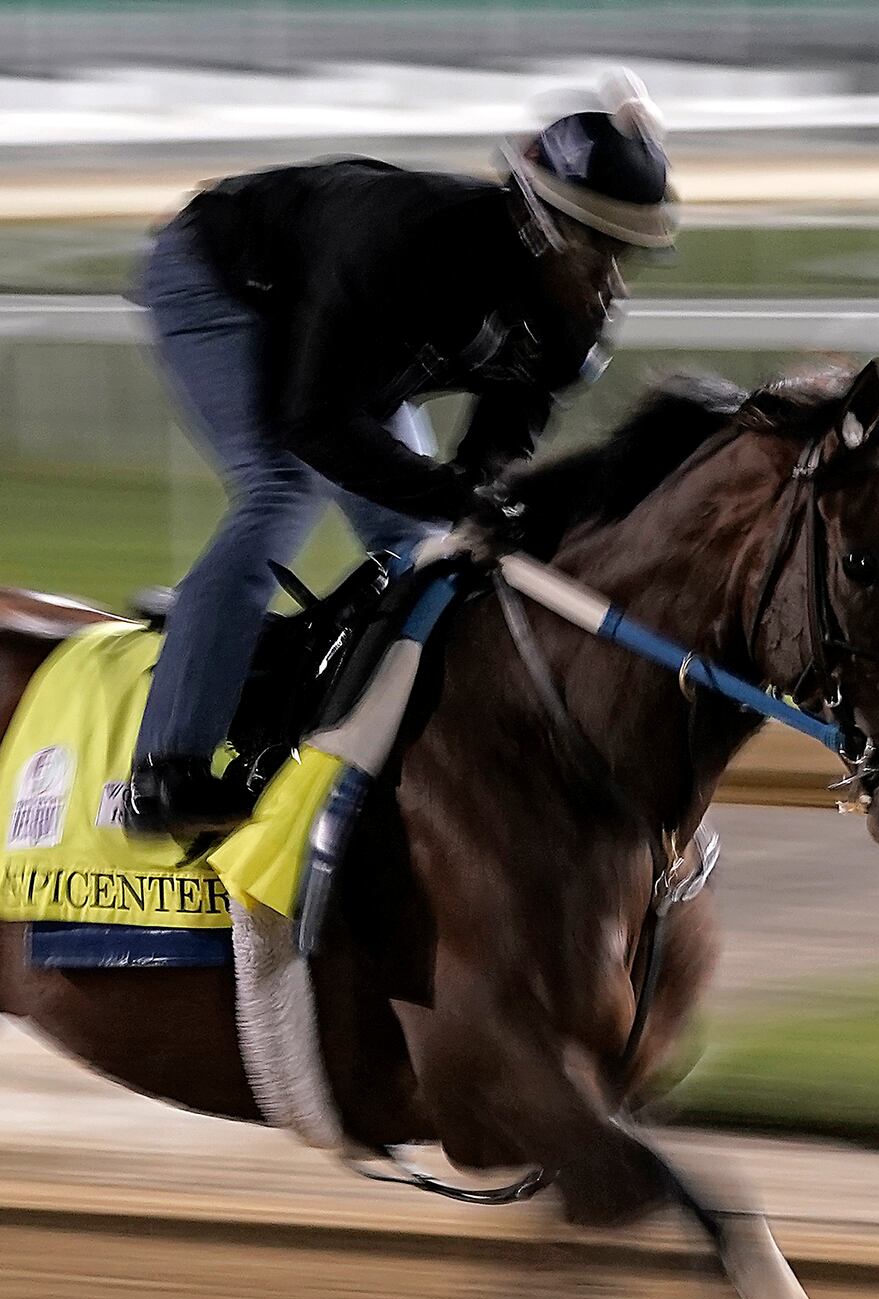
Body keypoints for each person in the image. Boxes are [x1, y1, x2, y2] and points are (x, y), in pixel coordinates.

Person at [120, 70, 679, 836]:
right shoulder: (409, 245)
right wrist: (453, 496)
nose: (611, 283)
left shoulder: (575, 319)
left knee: (418, 546)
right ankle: (164, 774)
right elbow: (313, 422)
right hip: (222, 278)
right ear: (540, 225)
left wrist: (473, 496)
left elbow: (502, 434)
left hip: (346, 342)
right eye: (599, 248)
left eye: (626, 255)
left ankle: (245, 651)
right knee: (281, 488)